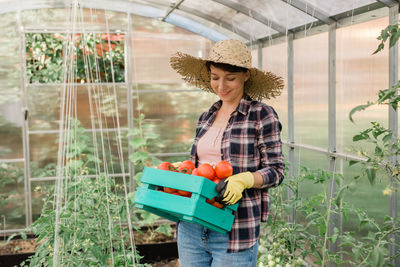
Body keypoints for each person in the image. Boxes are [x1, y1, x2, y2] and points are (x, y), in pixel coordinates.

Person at [170, 39, 285, 267]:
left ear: (246, 75)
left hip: (234, 229)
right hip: (192, 225)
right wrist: (180, 172)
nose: (221, 85)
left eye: (230, 78)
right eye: (215, 77)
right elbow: (199, 167)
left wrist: (245, 179)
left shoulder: (261, 115)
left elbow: (276, 171)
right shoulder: (206, 117)